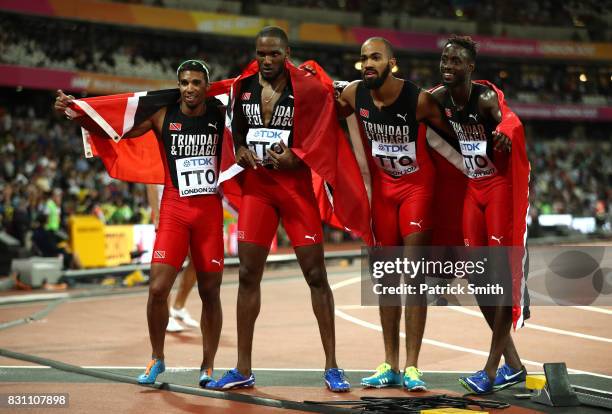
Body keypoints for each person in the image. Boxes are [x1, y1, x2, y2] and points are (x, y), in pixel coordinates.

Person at [55, 60, 224, 387]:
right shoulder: (163, 116)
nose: (190, 88)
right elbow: (119, 128)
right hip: (175, 207)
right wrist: (77, 112)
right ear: (178, 86)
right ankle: (157, 358)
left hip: (208, 212)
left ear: (206, 85)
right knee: (157, 288)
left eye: (196, 83)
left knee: (210, 291)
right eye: (185, 83)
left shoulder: (220, 115)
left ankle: (207, 365)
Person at [206, 27, 351, 392]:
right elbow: (235, 127)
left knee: (316, 275)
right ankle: (242, 368)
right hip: (258, 190)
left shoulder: (308, 89)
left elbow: (323, 134)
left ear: (287, 53)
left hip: (295, 190)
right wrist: (239, 147)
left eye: (274, 54)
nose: (267, 61)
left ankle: (332, 366)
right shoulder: (245, 87)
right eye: (261, 54)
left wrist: (298, 159)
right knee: (247, 275)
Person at [335, 37, 456, 391]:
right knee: (386, 279)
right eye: (363, 59)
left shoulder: (418, 99)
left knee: (413, 276)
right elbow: (324, 115)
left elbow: (455, 135)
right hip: (383, 194)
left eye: (375, 57)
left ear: (392, 62)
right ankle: (390, 363)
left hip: (417, 190)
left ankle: (413, 366)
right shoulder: (354, 94)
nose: (368, 63)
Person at [430, 35, 528, 394]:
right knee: (478, 279)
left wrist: (502, 131)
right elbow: (404, 104)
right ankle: (514, 365)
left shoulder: (485, 98)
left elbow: (510, 119)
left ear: (471, 67)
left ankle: (489, 371)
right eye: (444, 60)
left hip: (499, 188)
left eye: (456, 61)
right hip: (473, 189)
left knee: (499, 280)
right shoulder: (439, 98)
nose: (448, 66)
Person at [146, 184, 199, 333]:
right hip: (167, 211)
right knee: (167, 265)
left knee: (197, 259)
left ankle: (179, 307)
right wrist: (156, 212)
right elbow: (150, 185)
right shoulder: (157, 161)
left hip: (185, 207)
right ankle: (166, 315)